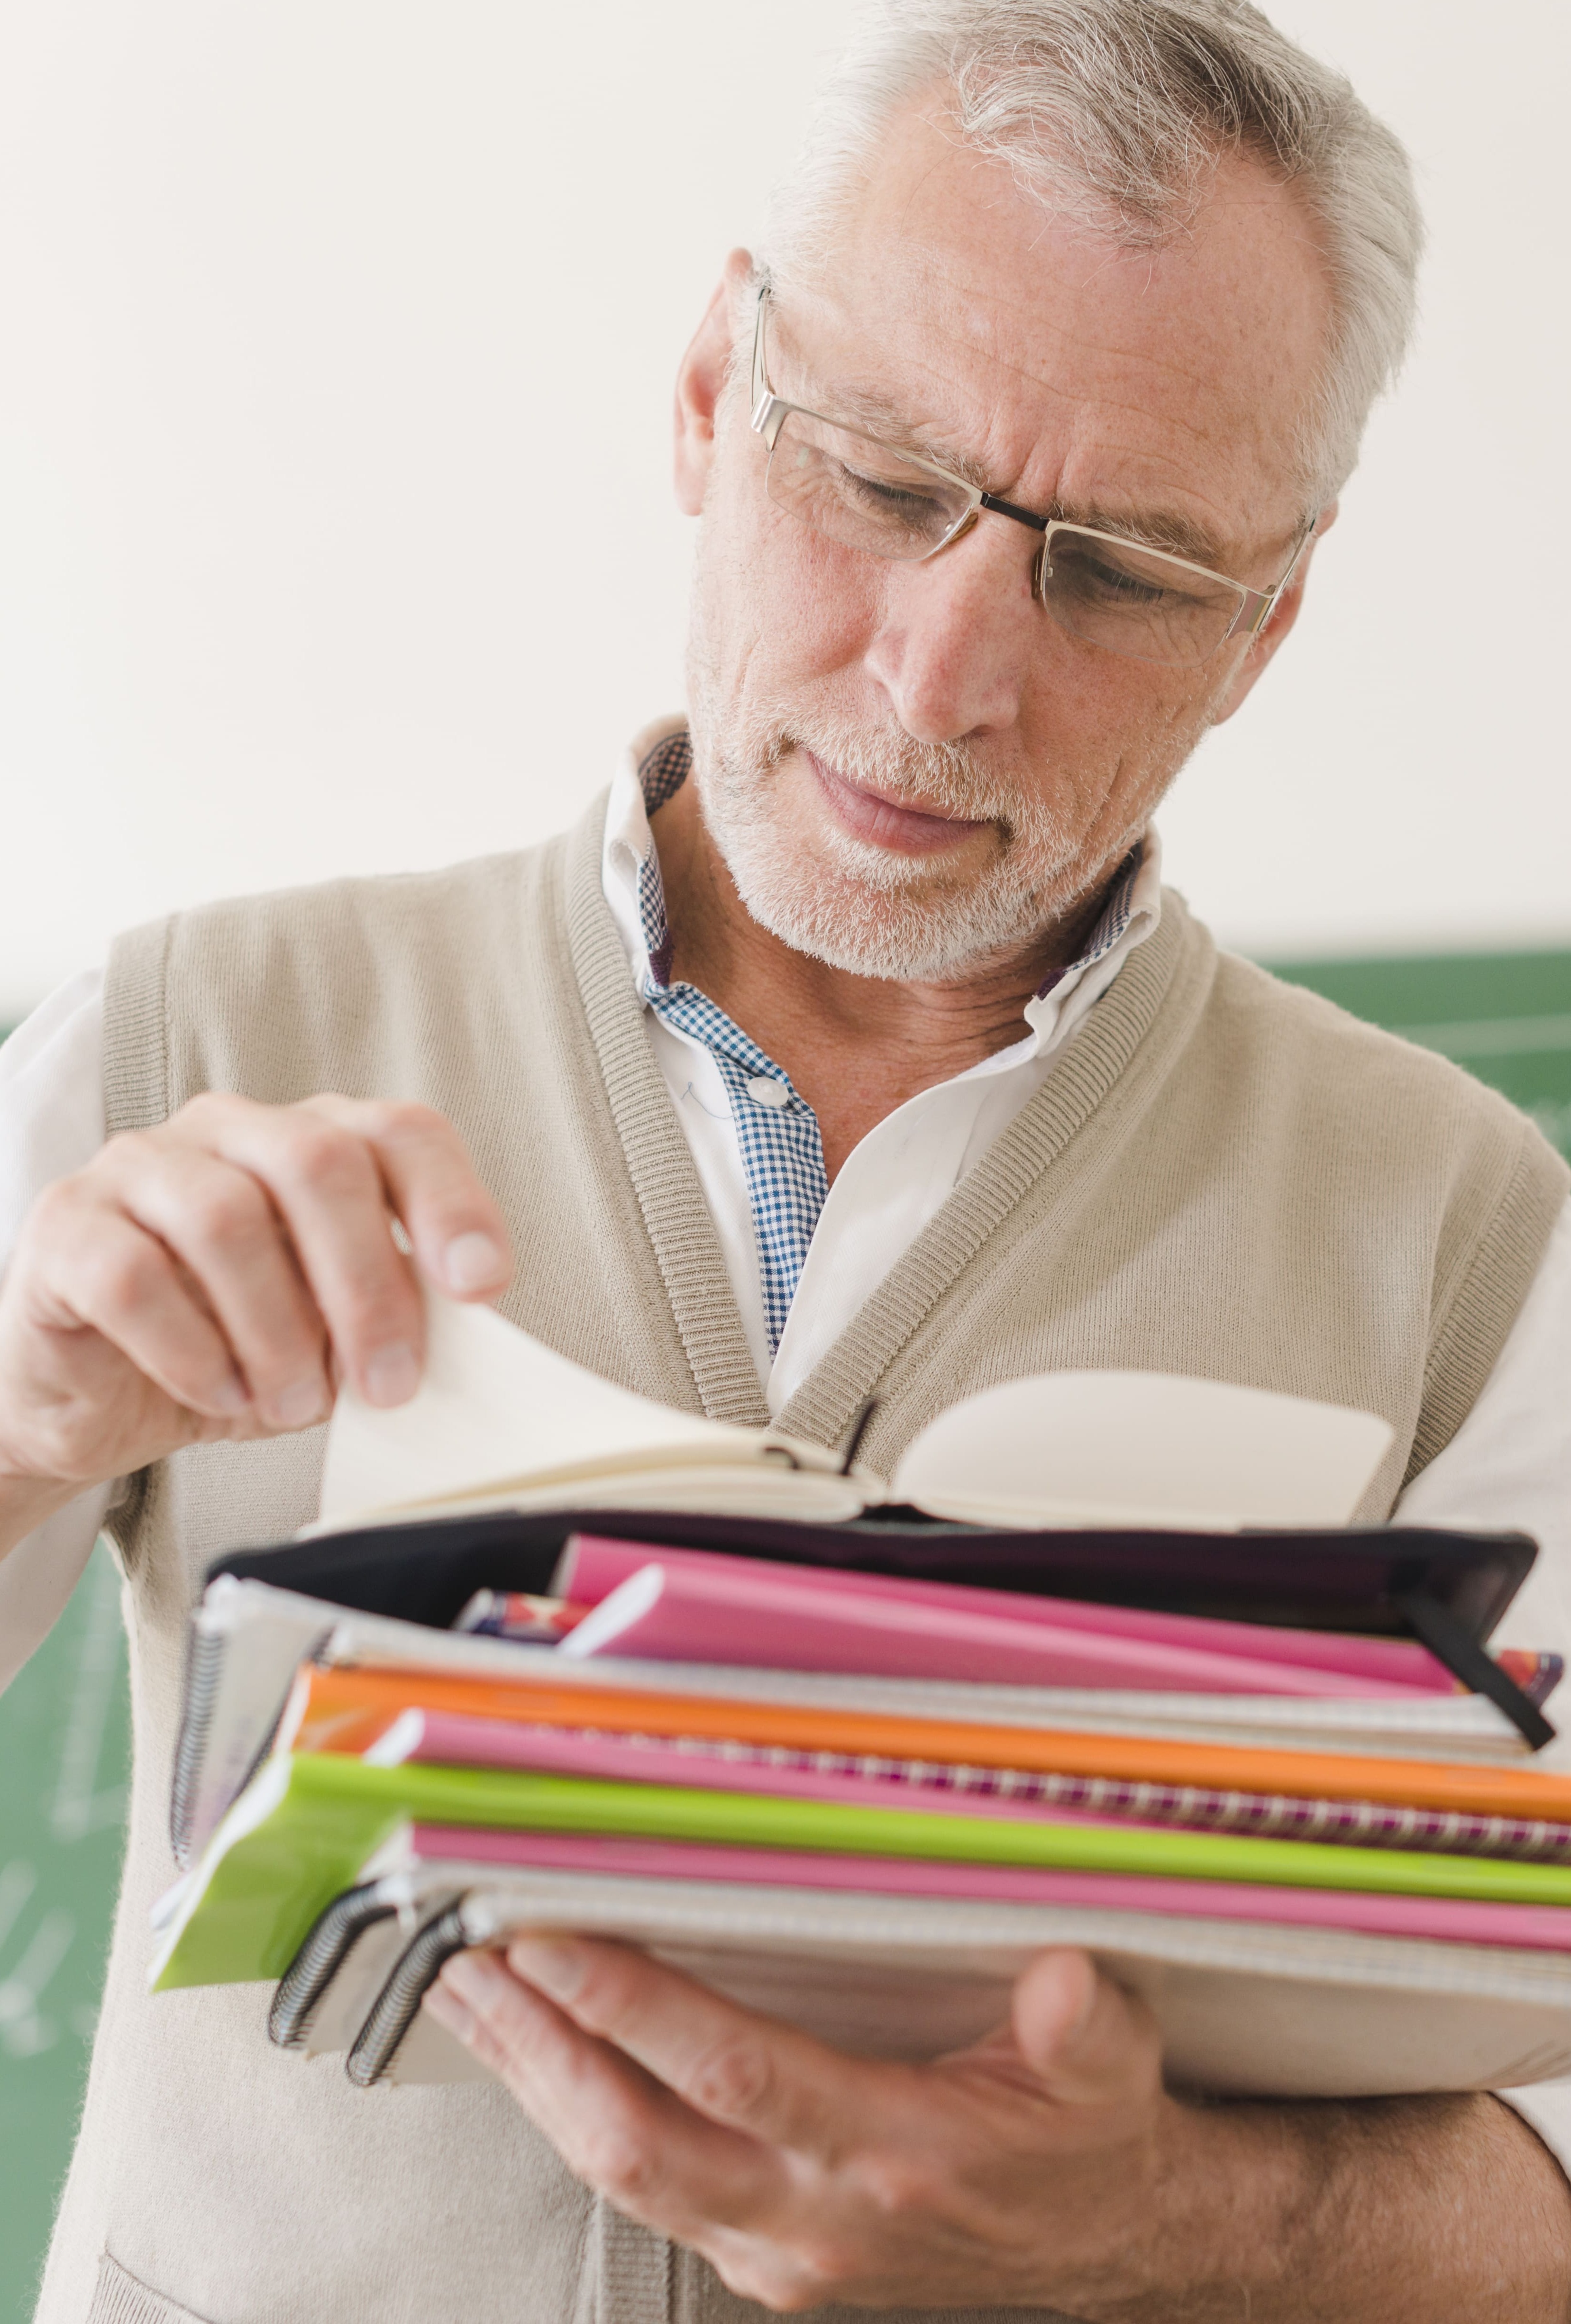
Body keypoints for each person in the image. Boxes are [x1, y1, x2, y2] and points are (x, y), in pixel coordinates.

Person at [2, 0, 1570, 2315]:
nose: (942, 674)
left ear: (1269, 622)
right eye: (877, 474)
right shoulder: (184, 1032)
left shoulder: (1469, 1238)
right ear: (712, 397)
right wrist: (25, 1415)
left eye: (1122, 571)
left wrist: (1171, 2224)